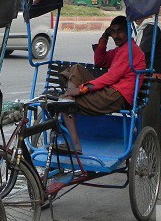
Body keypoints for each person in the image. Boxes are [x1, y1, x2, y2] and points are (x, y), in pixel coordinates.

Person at [59, 15, 146, 153]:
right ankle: (69, 98)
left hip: (117, 96)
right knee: (76, 68)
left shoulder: (130, 51)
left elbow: (111, 77)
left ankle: (74, 144)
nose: (116, 36)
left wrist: (81, 90)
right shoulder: (121, 49)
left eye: (120, 31)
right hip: (110, 91)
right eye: (113, 32)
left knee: (64, 103)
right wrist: (105, 36)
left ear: (128, 31)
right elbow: (100, 61)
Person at [136, 15, 161, 172]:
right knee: (151, 123)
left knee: (149, 124)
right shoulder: (146, 28)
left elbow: (142, 53)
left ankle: (159, 163)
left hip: (153, 80)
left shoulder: (151, 28)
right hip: (148, 79)